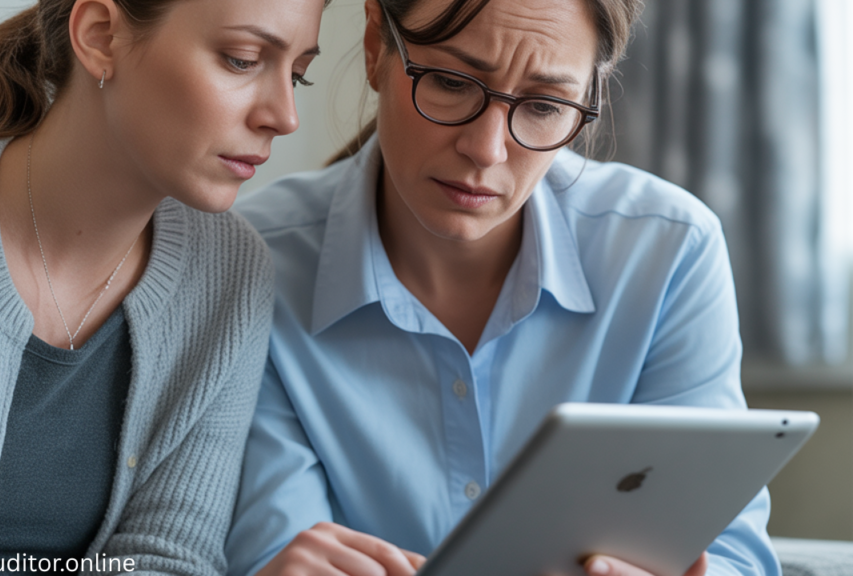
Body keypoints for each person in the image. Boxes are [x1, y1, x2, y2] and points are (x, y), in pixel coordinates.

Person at [226, 0, 779, 575]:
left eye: (544, 105)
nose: (486, 150)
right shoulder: (251, 263)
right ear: (374, 45)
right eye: (449, 82)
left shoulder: (667, 253)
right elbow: (274, 550)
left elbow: (731, 552)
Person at [0, 0, 323, 572]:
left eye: (298, 73)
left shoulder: (231, 271)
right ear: (100, 35)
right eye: (241, 60)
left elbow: (170, 560)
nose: (285, 116)